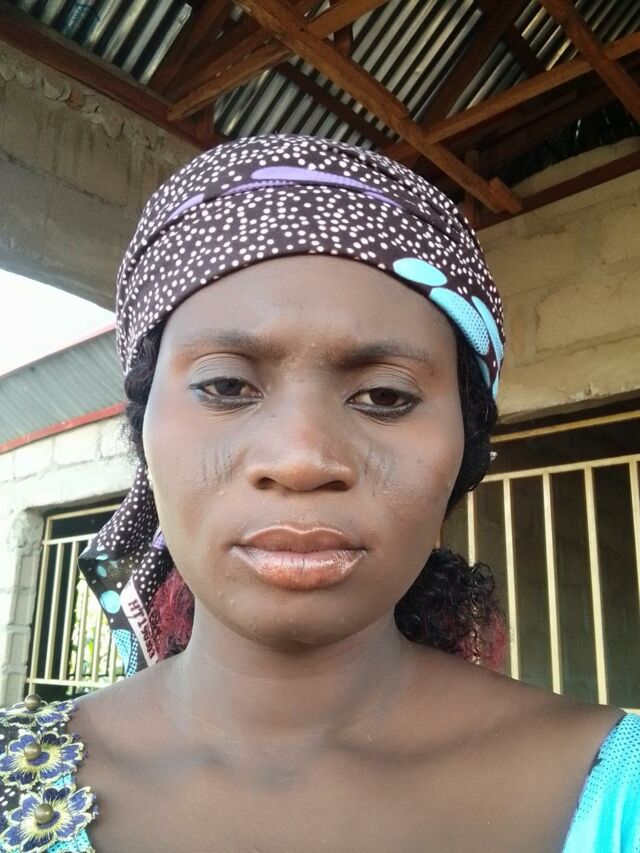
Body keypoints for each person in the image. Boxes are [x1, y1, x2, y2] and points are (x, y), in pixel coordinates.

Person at [0, 134, 637, 852]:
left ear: (465, 453)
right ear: (143, 432)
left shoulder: (619, 785)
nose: (301, 461)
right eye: (225, 385)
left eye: (386, 396)